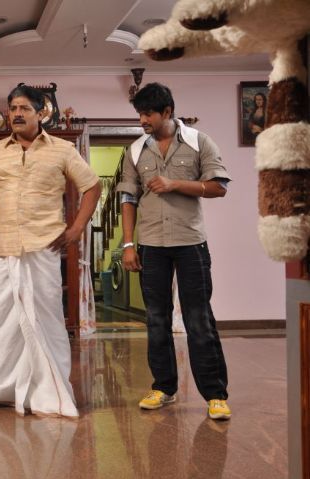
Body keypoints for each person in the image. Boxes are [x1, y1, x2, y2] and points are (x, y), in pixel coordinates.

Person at [0, 84, 101, 417]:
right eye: (13, 108)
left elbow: (92, 187)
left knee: (47, 320)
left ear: (41, 113)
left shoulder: (63, 149)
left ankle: (49, 390)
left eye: (24, 108)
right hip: (4, 247)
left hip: (43, 247)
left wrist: (76, 228)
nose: (17, 114)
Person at [116, 82, 232, 420]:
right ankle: (163, 388)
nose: (142, 120)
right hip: (151, 246)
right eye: (139, 114)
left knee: (198, 318)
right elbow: (128, 198)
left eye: (148, 114)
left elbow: (219, 187)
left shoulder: (199, 142)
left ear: (167, 112)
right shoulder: (135, 151)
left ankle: (215, 395)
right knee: (156, 318)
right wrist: (128, 244)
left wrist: (174, 184)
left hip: (190, 243)